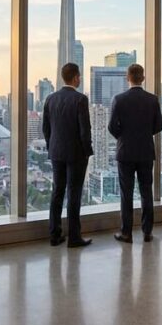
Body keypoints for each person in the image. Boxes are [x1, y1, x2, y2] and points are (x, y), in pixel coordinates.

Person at [109, 63, 162, 243]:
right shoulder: (152, 99)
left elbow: (111, 127)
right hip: (146, 151)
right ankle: (147, 232)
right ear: (143, 78)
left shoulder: (119, 99)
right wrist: (144, 134)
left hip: (125, 153)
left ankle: (127, 233)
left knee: (127, 193)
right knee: (146, 192)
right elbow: (158, 126)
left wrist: (123, 137)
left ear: (127, 78)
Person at [42, 63, 94, 247]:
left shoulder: (50, 98)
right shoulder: (80, 99)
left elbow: (46, 128)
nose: (80, 79)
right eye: (79, 76)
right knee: (74, 193)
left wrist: (51, 146)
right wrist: (87, 152)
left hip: (56, 152)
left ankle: (55, 235)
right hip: (76, 154)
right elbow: (84, 130)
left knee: (57, 192)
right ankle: (74, 237)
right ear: (75, 77)